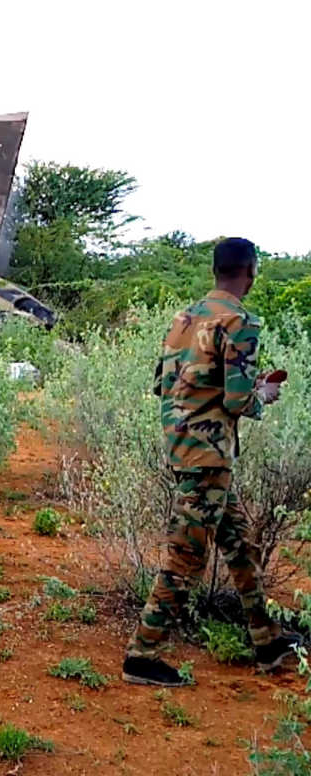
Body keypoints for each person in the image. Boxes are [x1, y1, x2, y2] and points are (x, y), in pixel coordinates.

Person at [122, 237, 300, 687]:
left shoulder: (184, 319)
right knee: (187, 557)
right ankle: (142, 654)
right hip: (210, 453)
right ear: (251, 272)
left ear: (215, 271)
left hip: (183, 447)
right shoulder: (240, 321)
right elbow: (238, 399)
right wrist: (262, 394)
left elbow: (165, 386)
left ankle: (268, 640)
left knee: (241, 544)